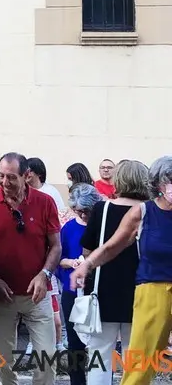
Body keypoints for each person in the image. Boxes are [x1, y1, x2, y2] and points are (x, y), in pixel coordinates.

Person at [70, 156, 172, 385]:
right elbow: (112, 245)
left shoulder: (103, 209)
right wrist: (86, 266)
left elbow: (92, 247)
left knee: (109, 354)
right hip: (146, 291)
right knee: (137, 360)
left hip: (110, 288)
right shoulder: (144, 212)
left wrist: (87, 264)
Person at [0, 153, 60, 385]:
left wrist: (44, 275)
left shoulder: (45, 202)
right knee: (2, 360)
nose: (4, 182)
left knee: (47, 358)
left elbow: (56, 246)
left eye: (11, 177)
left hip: (37, 295)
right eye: (1, 176)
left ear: (27, 176)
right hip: (2, 296)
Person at [78, 160, 149, 385]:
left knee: (99, 353)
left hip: (103, 288)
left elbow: (88, 249)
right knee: (134, 354)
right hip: (139, 290)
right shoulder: (150, 211)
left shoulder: (102, 208)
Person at [57, 184, 100, 385]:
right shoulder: (68, 228)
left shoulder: (102, 225)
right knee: (75, 343)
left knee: (100, 342)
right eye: (78, 210)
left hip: (98, 291)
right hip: (73, 291)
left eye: (86, 210)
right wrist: (73, 262)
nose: (82, 214)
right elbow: (59, 259)